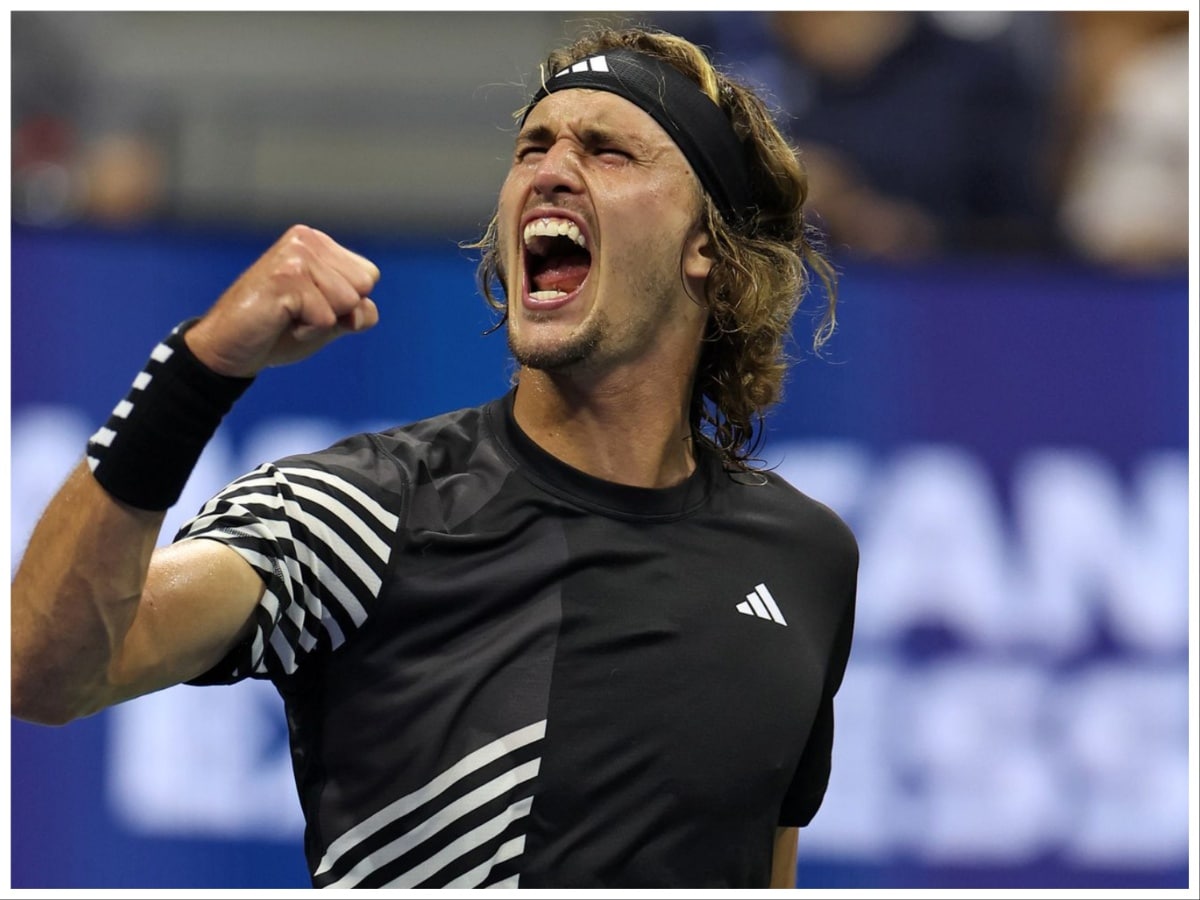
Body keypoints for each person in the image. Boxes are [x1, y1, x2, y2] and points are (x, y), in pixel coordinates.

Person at [11, 24, 859, 889]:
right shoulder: (356, 513)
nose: (551, 170)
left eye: (609, 151)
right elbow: (43, 672)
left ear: (707, 245)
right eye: (533, 145)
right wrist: (200, 368)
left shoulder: (805, 558)